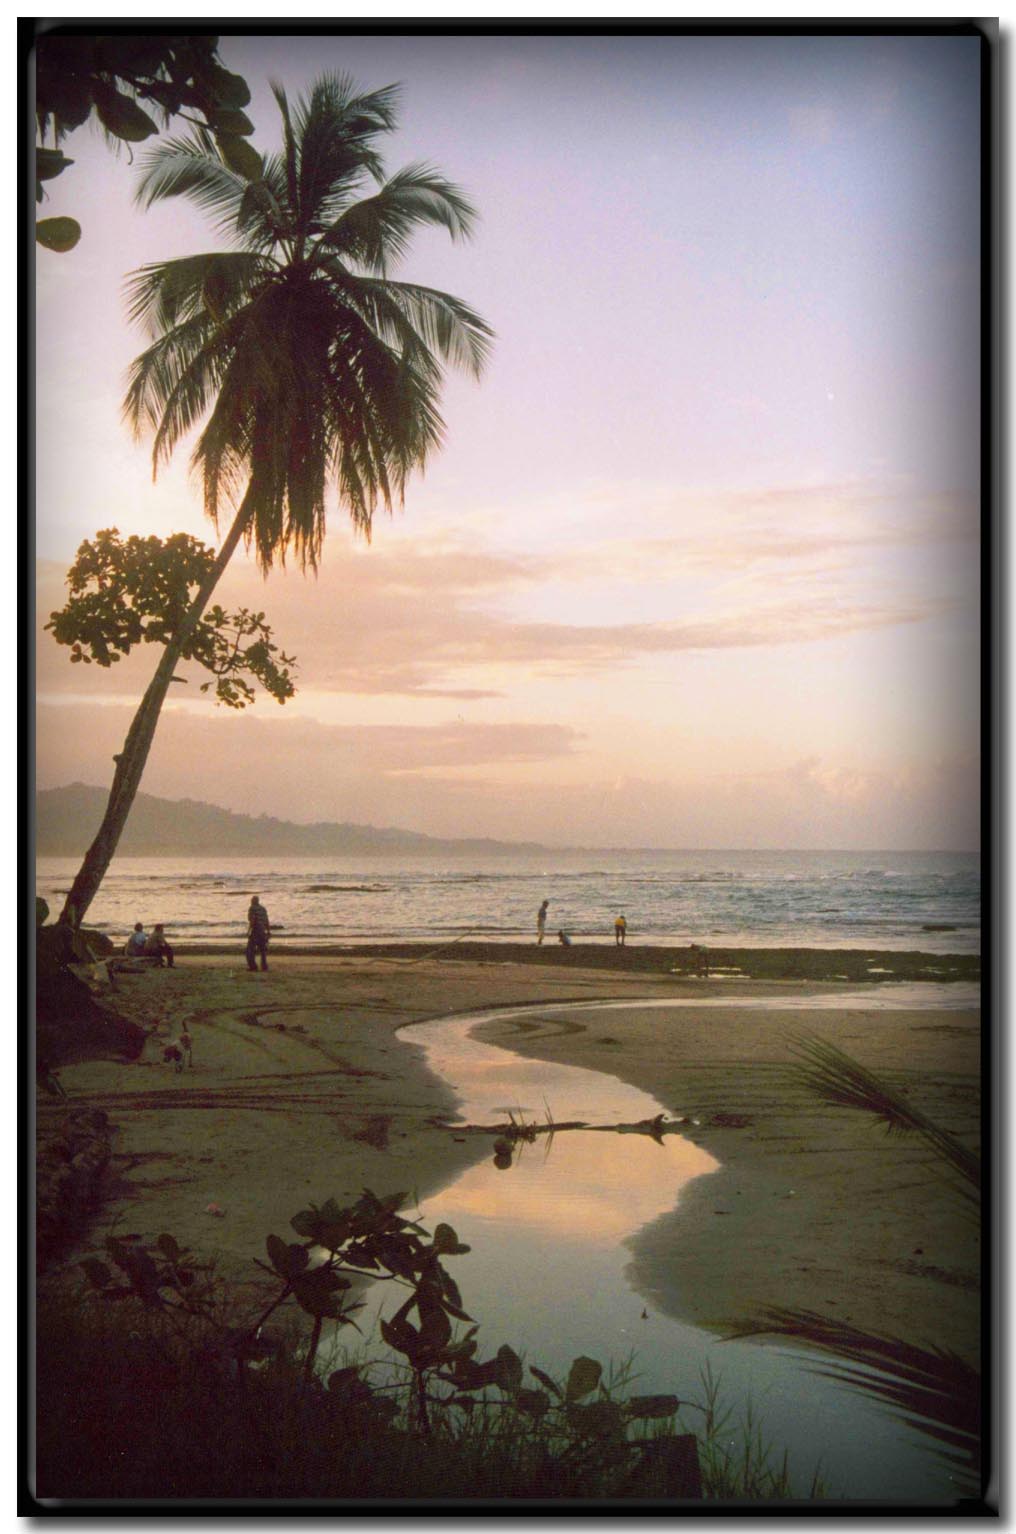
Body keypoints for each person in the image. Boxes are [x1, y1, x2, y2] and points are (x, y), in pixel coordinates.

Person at [247, 895, 270, 972]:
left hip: (256, 930)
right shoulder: (263, 909)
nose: (251, 902)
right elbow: (267, 921)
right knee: (263, 950)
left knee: (250, 950)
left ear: (253, 901)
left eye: (251, 900)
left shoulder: (252, 908)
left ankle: (253, 966)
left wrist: (249, 931)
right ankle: (264, 966)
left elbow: (252, 920)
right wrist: (269, 931)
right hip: (263, 931)